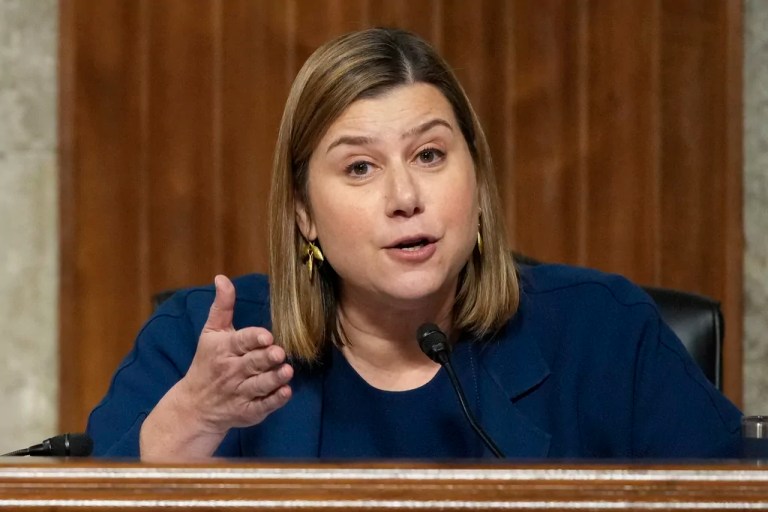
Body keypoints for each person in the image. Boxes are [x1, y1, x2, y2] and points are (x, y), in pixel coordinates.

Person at [87, 27, 742, 460]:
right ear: (303, 214)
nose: (405, 196)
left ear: (478, 183)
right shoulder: (200, 343)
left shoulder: (605, 336)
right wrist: (196, 419)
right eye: (360, 168)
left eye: (430, 155)